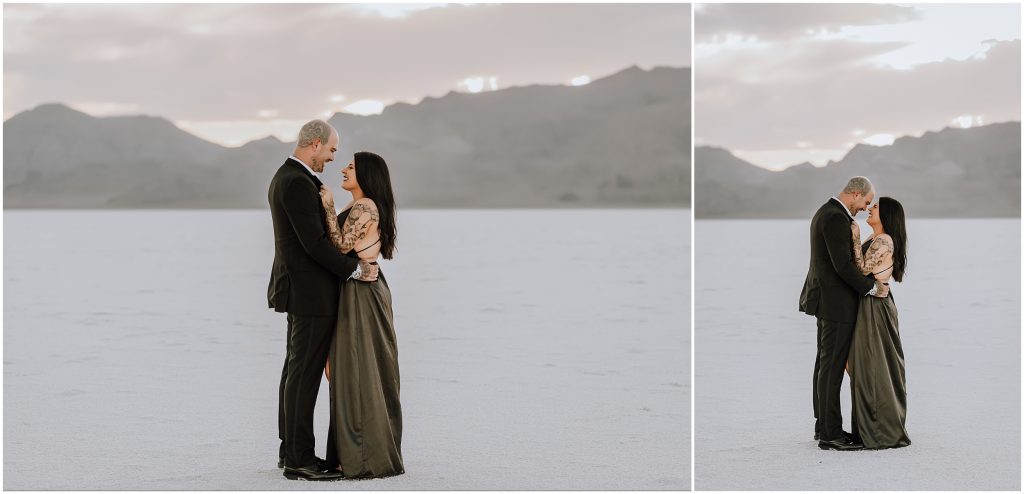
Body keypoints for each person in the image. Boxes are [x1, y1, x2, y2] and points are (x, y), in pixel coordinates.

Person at [267, 120, 378, 481]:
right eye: (330, 150)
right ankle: (299, 458)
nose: (332, 158)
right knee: (303, 375)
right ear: (314, 144)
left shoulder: (290, 178)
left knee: (295, 372)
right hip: (310, 293)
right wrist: (355, 270)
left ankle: (290, 451)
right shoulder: (297, 182)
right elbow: (313, 245)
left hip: (301, 290)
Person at [318, 151, 405, 478]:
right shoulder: (359, 206)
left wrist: (326, 205)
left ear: (366, 174)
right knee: (355, 368)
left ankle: (360, 457)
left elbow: (340, 246)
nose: (343, 169)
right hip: (358, 287)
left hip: (361, 293)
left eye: (351, 166)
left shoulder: (365, 206)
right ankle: (352, 453)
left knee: (356, 368)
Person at [799, 176, 877, 451]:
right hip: (836, 303)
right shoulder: (834, 217)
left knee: (824, 365)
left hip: (828, 301)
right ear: (855, 194)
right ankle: (831, 434)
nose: (866, 208)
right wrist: (871, 287)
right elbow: (842, 266)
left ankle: (824, 427)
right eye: (866, 201)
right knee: (830, 367)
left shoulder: (827, 212)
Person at [848, 196, 911, 449]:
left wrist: (853, 233)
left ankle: (880, 431)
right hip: (870, 302)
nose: (870, 209)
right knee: (867, 365)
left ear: (886, 215)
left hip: (875, 307)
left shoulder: (884, 240)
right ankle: (869, 428)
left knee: (874, 365)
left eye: (875, 207)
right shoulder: (875, 239)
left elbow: (861, 269)